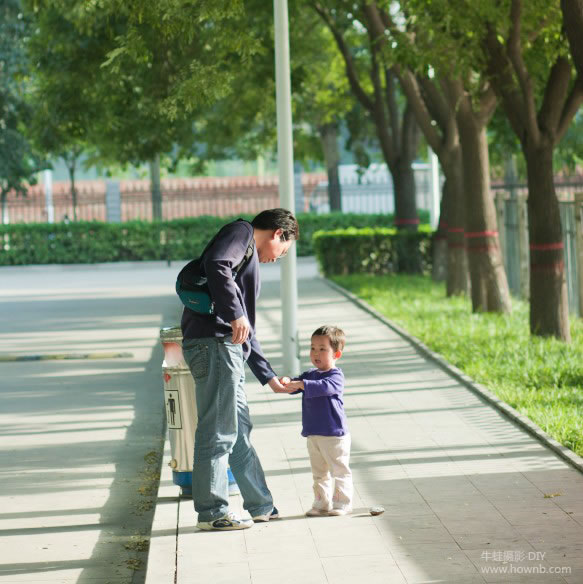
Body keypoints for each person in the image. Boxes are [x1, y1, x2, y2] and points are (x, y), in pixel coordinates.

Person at [181, 208, 299, 531]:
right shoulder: (241, 232)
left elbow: (247, 329)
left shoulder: (248, 255)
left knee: (238, 430)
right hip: (214, 344)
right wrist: (235, 313)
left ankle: (261, 505)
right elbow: (217, 263)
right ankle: (212, 512)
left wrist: (269, 377)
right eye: (283, 251)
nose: (278, 259)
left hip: (225, 347)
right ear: (278, 233)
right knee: (218, 430)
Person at [282, 325, 353, 516]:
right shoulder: (309, 375)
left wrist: (302, 384)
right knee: (319, 472)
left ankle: (342, 502)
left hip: (334, 434)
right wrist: (288, 381)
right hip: (313, 433)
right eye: (313, 348)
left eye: (323, 349)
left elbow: (324, 387)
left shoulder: (336, 376)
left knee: (339, 470)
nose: (316, 353)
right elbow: (298, 383)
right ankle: (321, 502)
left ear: (336, 354)